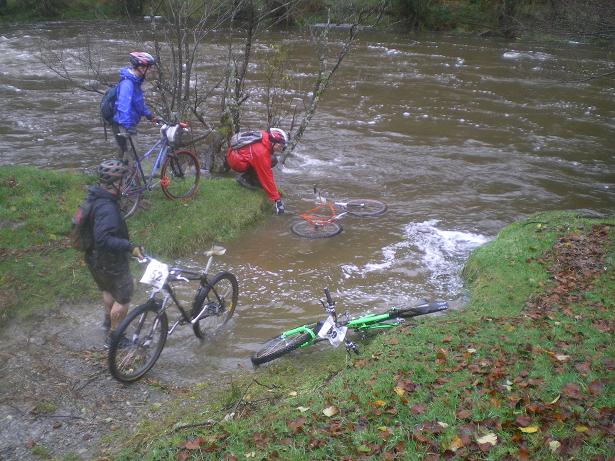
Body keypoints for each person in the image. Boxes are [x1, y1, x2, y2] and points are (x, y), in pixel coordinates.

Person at [84, 159, 144, 347]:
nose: (126, 184)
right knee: (124, 297)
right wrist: (130, 247)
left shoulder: (94, 197)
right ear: (115, 183)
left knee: (108, 289)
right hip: (109, 260)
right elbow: (104, 239)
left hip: (93, 258)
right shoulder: (107, 208)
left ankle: (107, 323)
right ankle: (115, 337)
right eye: (123, 181)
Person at [226, 127, 288, 215]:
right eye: (280, 146)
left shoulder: (265, 137)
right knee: (264, 167)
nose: (280, 149)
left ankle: (252, 177)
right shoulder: (261, 152)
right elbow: (267, 177)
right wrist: (277, 200)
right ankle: (244, 179)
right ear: (273, 141)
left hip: (239, 153)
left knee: (273, 160)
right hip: (236, 161)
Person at [112, 51, 157, 162]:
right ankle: (122, 178)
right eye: (149, 67)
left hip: (126, 123)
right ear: (141, 67)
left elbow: (138, 103)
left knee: (126, 157)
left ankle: (125, 178)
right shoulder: (128, 83)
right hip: (122, 124)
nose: (151, 70)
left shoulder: (135, 81)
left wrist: (149, 115)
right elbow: (123, 106)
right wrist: (128, 126)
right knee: (133, 155)